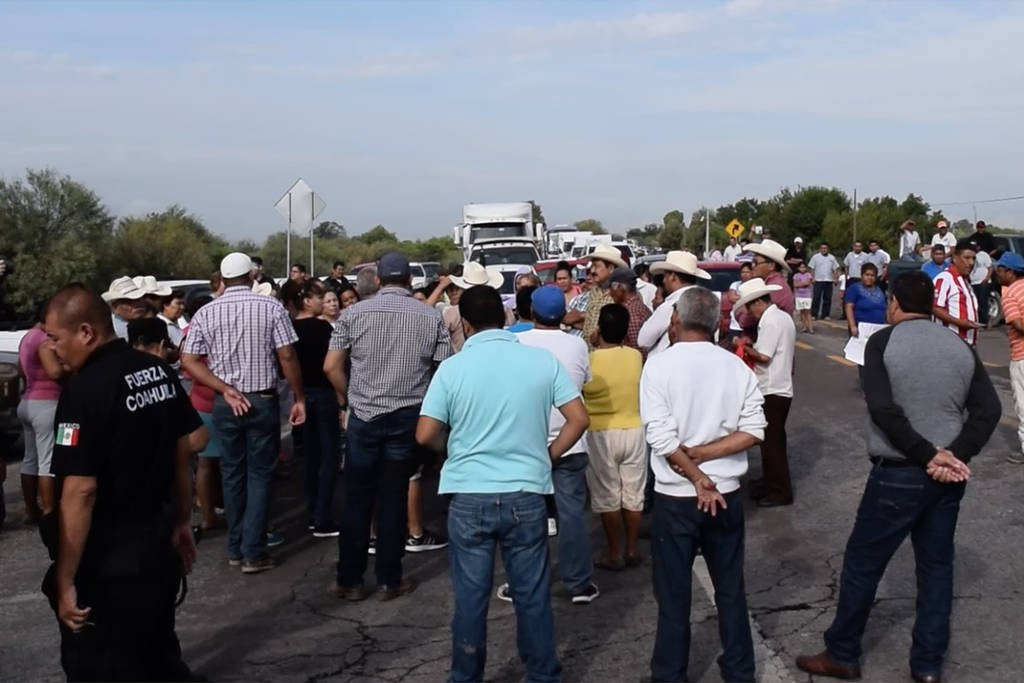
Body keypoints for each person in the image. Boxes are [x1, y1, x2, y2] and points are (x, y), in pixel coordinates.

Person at [796, 271, 1000, 683]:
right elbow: (989, 411)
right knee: (937, 567)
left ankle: (843, 652)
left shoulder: (882, 342)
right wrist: (953, 455)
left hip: (899, 473)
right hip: (946, 479)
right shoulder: (959, 346)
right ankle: (927, 666)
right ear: (931, 306)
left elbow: (883, 410)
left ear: (893, 303)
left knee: (863, 564)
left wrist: (928, 455)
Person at [415, 285, 589, 682]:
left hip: (469, 492)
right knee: (531, 595)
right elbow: (578, 418)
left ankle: (466, 675)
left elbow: (425, 434)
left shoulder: (453, 368)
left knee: (471, 599)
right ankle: (542, 674)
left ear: (466, 323)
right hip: (526, 491)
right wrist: (547, 457)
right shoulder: (541, 362)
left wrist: (453, 450)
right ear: (506, 317)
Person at [42, 284, 207, 681]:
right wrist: (181, 520)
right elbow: (185, 446)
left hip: (109, 563)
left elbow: (81, 490)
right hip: (157, 548)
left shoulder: (84, 391)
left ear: (85, 332)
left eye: (55, 339)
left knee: (103, 665)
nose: (52, 350)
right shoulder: (157, 372)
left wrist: (65, 578)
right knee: (158, 655)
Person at [640, 287, 766, 682]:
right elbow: (754, 430)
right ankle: (740, 669)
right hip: (726, 494)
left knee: (673, 596)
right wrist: (707, 465)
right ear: (717, 323)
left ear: (675, 320)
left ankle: (670, 673)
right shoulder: (735, 367)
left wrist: (694, 472)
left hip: (676, 498)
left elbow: (660, 438)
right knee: (730, 588)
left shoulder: (658, 367)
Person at [324, 252, 451, 601]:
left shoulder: (352, 315)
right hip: (408, 415)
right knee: (394, 497)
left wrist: (348, 398)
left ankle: (349, 579)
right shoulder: (431, 317)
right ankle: (389, 579)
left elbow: (331, 366)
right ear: (409, 280)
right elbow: (444, 370)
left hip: (364, 416)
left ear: (378, 280)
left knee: (357, 499)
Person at [182, 252, 307, 574]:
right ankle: (253, 550)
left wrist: (223, 388)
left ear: (222, 279)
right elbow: (287, 355)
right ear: (252, 277)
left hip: (227, 402)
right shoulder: (271, 308)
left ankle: (237, 546)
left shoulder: (207, 312)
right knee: (260, 475)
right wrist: (298, 396)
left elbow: (190, 360)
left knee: (232, 473)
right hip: (261, 399)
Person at [510, 285, 599, 604]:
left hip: (526, 443)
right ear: (563, 314)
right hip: (570, 442)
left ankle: (523, 580)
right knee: (571, 514)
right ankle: (579, 583)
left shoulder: (515, 342)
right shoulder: (576, 346)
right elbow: (584, 383)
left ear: (530, 312)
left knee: (524, 516)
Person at [585, 303, 646, 570]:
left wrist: (592, 343)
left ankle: (614, 552)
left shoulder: (590, 360)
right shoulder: (635, 357)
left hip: (599, 432)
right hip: (634, 428)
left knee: (608, 494)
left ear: (599, 329)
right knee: (633, 493)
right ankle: (632, 549)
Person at [734, 278, 796, 507]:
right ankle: (771, 483)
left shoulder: (770, 322)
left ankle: (780, 491)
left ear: (759, 302)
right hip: (779, 385)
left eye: (751, 306)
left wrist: (742, 347)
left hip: (772, 387)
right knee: (771, 441)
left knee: (772, 444)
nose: (750, 312)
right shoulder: (782, 317)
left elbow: (764, 356)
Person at [289, 279, 341, 538]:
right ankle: (323, 516)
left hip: (300, 395)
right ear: (307, 301)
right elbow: (333, 366)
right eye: (319, 297)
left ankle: (313, 512)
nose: (324, 301)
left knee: (310, 457)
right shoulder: (323, 329)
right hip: (324, 394)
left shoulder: (288, 329)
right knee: (330, 456)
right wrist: (343, 397)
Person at [182, 295, 224, 532]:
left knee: (205, 465)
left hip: (199, 401)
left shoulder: (188, 332)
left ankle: (208, 515)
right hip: (222, 400)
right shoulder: (215, 329)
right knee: (230, 463)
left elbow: (188, 371)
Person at [18, 314, 65, 522]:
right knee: (48, 461)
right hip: (48, 402)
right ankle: (49, 511)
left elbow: (21, 370)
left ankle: (31, 509)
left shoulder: (27, 337)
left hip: (28, 401)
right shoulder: (44, 340)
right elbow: (55, 372)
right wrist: (69, 367)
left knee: (30, 459)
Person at [638, 251, 710, 357]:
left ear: (673, 276)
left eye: (665, 276)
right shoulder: (706, 301)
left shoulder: (670, 305)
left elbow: (643, 341)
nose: (663, 281)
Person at [564, 244, 625, 350]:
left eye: (596, 266)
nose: (592, 271)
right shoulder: (594, 292)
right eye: (592, 266)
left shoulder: (620, 294)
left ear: (610, 269)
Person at [995, 253, 1024, 465]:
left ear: (1010, 272)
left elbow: (1018, 324)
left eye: (1000, 270)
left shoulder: (1010, 293)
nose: (997, 274)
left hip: (1022, 355)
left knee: (1023, 405)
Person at [736, 239, 795, 329]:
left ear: (771, 265)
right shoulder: (774, 283)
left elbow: (746, 321)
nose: (752, 266)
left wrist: (740, 311)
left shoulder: (774, 288)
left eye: (756, 262)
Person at [932, 239, 980, 347]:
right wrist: (960, 323)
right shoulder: (945, 279)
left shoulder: (965, 281)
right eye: (967, 258)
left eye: (973, 258)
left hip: (969, 344)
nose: (971, 263)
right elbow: (935, 308)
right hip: (951, 344)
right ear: (955, 258)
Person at [607, 267, 652, 353]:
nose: (609, 292)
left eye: (611, 288)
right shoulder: (640, 307)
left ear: (620, 288)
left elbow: (638, 350)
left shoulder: (630, 314)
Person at [101, 276, 148, 341]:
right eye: (129, 301)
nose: (137, 304)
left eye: (139, 299)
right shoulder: (111, 331)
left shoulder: (149, 323)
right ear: (115, 307)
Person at [808, 242, 840, 320]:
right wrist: (812, 278)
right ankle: (814, 314)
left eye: (825, 248)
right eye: (822, 248)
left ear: (828, 249)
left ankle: (825, 314)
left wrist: (835, 278)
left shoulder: (832, 258)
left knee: (827, 298)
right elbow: (812, 268)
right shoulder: (815, 257)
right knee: (816, 298)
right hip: (818, 280)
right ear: (820, 249)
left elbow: (835, 269)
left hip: (828, 280)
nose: (824, 250)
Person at [726, 262, 754, 341]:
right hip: (735, 326)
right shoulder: (735, 284)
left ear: (752, 273)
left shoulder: (755, 286)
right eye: (742, 272)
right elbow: (732, 298)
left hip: (750, 325)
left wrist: (740, 298)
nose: (744, 274)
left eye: (747, 272)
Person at [970, 242, 993, 327]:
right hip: (973, 282)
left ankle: (987, 320)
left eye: (975, 247)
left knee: (983, 301)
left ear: (978, 247)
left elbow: (990, 267)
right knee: (976, 302)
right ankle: (980, 321)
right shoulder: (970, 255)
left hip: (983, 282)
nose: (973, 248)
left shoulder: (983, 255)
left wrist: (986, 278)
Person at [793, 262, 814, 334]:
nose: (802, 269)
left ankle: (810, 327)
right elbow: (795, 284)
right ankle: (804, 326)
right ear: (798, 268)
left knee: (808, 312)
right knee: (802, 312)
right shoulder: (796, 275)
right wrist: (803, 283)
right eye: (801, 267)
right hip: (799, 296)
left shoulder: (808, 275)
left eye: (804, 267)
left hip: (807, 296)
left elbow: (808, 283)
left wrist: (800, 283)